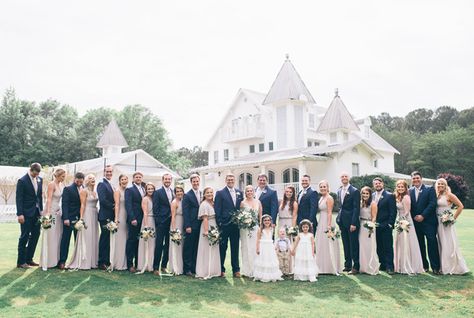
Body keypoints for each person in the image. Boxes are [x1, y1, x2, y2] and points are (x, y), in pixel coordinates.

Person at [435, 178, 469, 275]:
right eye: (438, 184)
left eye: (442, 184)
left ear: (445, 185)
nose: (440, 185)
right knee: (441, 242)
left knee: (448, 242)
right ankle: (443, 265)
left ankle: (452, 267)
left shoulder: (449, 195)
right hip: (438, 222)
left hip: (446, 223)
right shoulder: (437, 195)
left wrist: (453, 218)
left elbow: (460, 206)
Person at [409, 171, 440, 274]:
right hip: (416, 223)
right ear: (411, 180)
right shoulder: (410, 191)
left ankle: (435, 267)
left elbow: (432, 203)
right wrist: (415, 217)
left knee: (432, 243)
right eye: (414, 178)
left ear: (421, 178)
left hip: (429, 222)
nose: (416, 180)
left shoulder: (429, 189)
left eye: (417, 178)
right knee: (420, 245)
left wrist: (423, 215)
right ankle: (424, 266)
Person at [67, 174, 99, 270]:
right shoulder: (83, 191)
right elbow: (82, 205)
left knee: (93, 236)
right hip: (87, 214)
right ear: (87, 181)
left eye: (93, 178)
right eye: (90, 178)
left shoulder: (95, 192)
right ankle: (84, 261)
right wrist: (81, 218)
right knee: (87, 236)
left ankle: (93, 261)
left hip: (94, 214)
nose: (92, 179)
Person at [215, 173, 243, 277]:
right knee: (223, 247)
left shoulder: (239, 192)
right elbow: (217, 209)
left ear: (234, 180)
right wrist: (220, 223)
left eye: (232, 179)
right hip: (224, 225)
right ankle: (221, 269)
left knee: (235, 247)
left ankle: (236, 270)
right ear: (225, 181)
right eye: (228, 179)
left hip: (236, 225)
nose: (230, 181)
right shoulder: (220, 193)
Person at [16, 163, 43, 268]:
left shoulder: (40, 179)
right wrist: (20, 214)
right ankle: (21, 262)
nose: (36, 176)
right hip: (26, 213)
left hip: (36, 213)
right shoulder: (22, 181)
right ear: (31, 170)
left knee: (36, 235)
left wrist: (41, 211)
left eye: (37, 174)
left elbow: (39, 197)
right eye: (34, 174)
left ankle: (29, 259)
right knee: (24, 236)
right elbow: (19, 199)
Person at [394, 180, 424, 274]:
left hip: (405, 221)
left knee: (407, 242)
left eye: (402, 187)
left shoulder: (406, 197)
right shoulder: (398, 197)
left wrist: (402, 222)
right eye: (398, 186)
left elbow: (407, 211)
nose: (400, 188)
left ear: (405, 188)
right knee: (400, 243)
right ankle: (400, 265)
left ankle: (409, 265)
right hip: (400, 220)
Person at [40, 168, 65, 269]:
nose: (64, 178)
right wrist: (48, 214)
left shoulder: (61, 185)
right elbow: (49, 199)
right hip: (51, 211)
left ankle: (55, 260)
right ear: (58, 175)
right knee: (50, 236)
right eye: (62, 176)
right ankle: (48, 261)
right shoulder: (51, 184)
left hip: (58, 212)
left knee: (57, 236)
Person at [58, 172, 84, 270]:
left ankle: (78, 261)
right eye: (78, 181)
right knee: (65, 241)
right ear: (75, 179)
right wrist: (66, 218)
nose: (79, 183)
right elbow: (65, 204)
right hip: (69, 219)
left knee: (78, 241)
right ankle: (62, 261)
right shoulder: (68, 189)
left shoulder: (84, 189)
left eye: (81, 182)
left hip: (79, 220)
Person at [315, 180, 342, 275]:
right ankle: (322, 266)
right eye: (321, 187)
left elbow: (330, 212)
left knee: (328, 243)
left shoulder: (329, 198)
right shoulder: (321, 197)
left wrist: (329, 225)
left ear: (327, 187)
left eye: (324, 186)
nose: (322, 188)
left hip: (327, 221)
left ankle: (330, 267)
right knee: (321, 243)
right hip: (321, 220)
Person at [336, 172, 360, 274]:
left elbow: (356, 208)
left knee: (353, 244)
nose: (344, 178)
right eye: (342, 176)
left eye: (346, 176)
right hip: (342, 221)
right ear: (340, 179)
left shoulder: (354, 191)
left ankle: (356, 266)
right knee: (345, 244)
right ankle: (347, 265)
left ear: (349, 178)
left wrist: (354, 223)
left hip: (351, 222)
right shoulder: (339, 190)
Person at [195, 187, 221, 279]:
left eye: (211, 192)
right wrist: (206, 231)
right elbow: (205, 218)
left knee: (213, 248)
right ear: (204, 195)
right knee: (206, 249)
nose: (210, 194)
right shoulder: (204, 204)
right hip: (208, 226)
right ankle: (205, 271)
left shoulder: (213, 203)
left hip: (214, 226)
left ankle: (213, 270)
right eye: (208, 193)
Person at [373, 177, 397, 274]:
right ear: (373, 185)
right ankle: (382, 264)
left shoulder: (389, 195)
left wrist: (390, 224)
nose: (377, 185)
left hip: (386, 225)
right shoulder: (372, 195)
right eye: (375, 184)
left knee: (387, 247)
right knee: (378, 247)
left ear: (382, 184)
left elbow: (393, 211)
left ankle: (390, 266)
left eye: (379, 183)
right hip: (375, 226)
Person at [153, 173, 174, 275]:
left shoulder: (173, 192)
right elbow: (155, 209)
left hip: (171, 222)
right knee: (159, 244)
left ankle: (164, 266)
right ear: (162, 180)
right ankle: (156, 267)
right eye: (166, 179)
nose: (167, 181)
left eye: (169, 179)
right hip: (162, 222)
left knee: (168, 245)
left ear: (171, 180)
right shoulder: (158, 192)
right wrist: (158, 222)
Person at [239, 185, 262, 277]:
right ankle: (247, 270)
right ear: (245, 192)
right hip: (245, 228)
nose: (249, 192)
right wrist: (245, 221)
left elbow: (260, 215)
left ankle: (256, 268)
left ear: (253, 192)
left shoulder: (258, 202)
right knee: (246, 247)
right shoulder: (242, 203)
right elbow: (240, 216)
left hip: (255, 227)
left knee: (254, 247)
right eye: (247, 191)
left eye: (251, 191)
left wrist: (260, 226)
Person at [182, 174, 202, 276]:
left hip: (200, 225)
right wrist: (187, 226)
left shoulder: (202, 193)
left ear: (199, 181)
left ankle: (194, 267)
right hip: (191, 225)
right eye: (194, 181)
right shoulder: (187, 195)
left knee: (196, 247)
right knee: (188, 247)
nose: (196, 183)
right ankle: (187, 269)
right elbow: (185, 212)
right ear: (191, 182)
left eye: (197, 181)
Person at [253, 215, 283, 282]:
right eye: (265, 220)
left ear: (270, 221)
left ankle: (271, 274)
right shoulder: (260, 229)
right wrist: (257, 248)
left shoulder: (272, 228)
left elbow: (274, 238)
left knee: (270, 260)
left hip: (270, 246)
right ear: (262, 221)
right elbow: (258, 239)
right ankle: (262, 275)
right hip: (263, 246)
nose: (267, 222)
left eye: (268, 220)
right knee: (263, 259)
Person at [125, 172, 145, 273]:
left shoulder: (144, 188)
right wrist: (132, 218)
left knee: (139, 242)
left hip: (143, 219)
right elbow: (128, 205)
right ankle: (129, 264)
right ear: (133, 179)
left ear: (142, 178)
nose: (138, 178)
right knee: (131, 241)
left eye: (140, 177)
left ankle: (138, 263)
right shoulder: (129, 190)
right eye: (136, 177)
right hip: (134, 219)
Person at [97, 165, 115, 270]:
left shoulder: (111, 184)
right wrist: (114, 206)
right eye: (107, 172)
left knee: (108, 238)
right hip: (105, 216)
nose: (109, 173)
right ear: (104, 172)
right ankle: (101, 261)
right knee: (104, 238)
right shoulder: (101, 184)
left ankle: (107, 260)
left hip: (111, 216)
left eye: (110, 172)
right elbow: (103, 200)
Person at [358, 186, 379, 275]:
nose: (365, 195)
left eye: (367, 193)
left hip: (369, 226)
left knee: (369, 246)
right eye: (363, 193)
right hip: (361, 226)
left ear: (370, 194)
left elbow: (374, 217)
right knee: (361, 246)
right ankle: (362, 267)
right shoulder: (360, 203)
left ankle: (371, 267)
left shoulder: (373, 203)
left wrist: (371, 225)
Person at [137, 183, 156, 273]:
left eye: (152, 188)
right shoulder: (145, 199)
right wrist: (146, 226)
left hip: (154, 221)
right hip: (147, 220)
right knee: (146, 242)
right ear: (146, 190)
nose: (150, 190)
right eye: (149, 189)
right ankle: (143, 263)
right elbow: (144, 212)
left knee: (152, 243)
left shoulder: (154, 198)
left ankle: (150, 264)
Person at [111, 174, 128, 270]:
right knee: (120, 239)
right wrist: (116, 218)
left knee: (126, 238)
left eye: (126, 179)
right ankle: (118, 262)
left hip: (127, 216)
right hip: (121, 215)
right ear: (119, 181)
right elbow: (117, 205)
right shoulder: (117, 191)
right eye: (122, 179)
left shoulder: (128, 191)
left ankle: (125, 261)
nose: (124, 181)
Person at [168, 185, 185, 275]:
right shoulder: (174, 202)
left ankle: (181, 266)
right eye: (177, 191)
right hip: (176, 224)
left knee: (182, 245)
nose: (179, 193)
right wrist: (174, 230)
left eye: (180, 191)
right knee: (176, 245)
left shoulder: (183, 201)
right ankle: (175, 267)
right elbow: (173, 216)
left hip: (182, 223)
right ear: (175, 193)